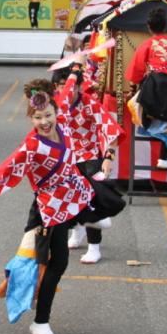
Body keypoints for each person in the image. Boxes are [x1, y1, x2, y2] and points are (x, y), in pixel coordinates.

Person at [0, 73, 124, 334]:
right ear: (30, 119)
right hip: (51, 209)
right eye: (37, 118)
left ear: (56, 111)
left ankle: (89, 217)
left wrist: (75, 69)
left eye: (48, 115)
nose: (44, 122)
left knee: (114, 199)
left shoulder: (65, 126)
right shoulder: (32, 146)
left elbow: (68, 89)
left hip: (76, 193)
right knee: (55, 262)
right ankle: (40, 322)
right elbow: (6, 168)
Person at [63, 56, 121, 265]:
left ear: (79, 86)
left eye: (70, 87)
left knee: (91, 201)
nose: (66, 92)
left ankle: (94, 248)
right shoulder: (56, 104)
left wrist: (108, 157)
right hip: (66, 157)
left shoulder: (90, 104)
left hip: (90, 156)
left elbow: (111, 129)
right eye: (61, 87)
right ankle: (76, 232)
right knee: (68, 197)